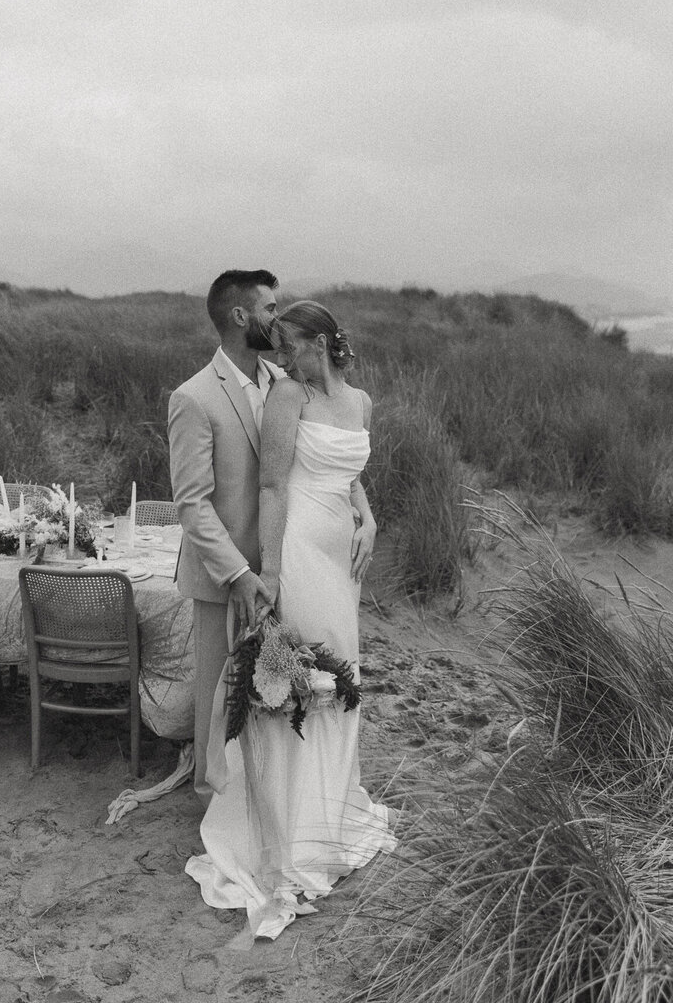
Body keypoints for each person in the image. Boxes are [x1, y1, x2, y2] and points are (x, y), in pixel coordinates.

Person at [186, 300, 396, 939]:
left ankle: (328, 814)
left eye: (291, 346)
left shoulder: (360, 403)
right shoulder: (287, 397)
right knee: (300, 676)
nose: (281, 360)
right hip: (300, 544)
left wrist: (371, 517)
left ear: (325, 342)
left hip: (342, 553)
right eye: (275, 349)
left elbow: (352, 473)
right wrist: (272, 573)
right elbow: (274, 487)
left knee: (342, 676)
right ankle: (290, 834)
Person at [168, 269, 283, 809]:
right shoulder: (193, 398)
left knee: (273, 686)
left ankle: (261, 796)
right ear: (241, 316)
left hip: (280, 569)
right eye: (270, 308)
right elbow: (191, 502)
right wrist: (238, 573)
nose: (276, 319)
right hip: (223, 576)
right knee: (219, 693)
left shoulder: (285, 384)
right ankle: (214, 805)